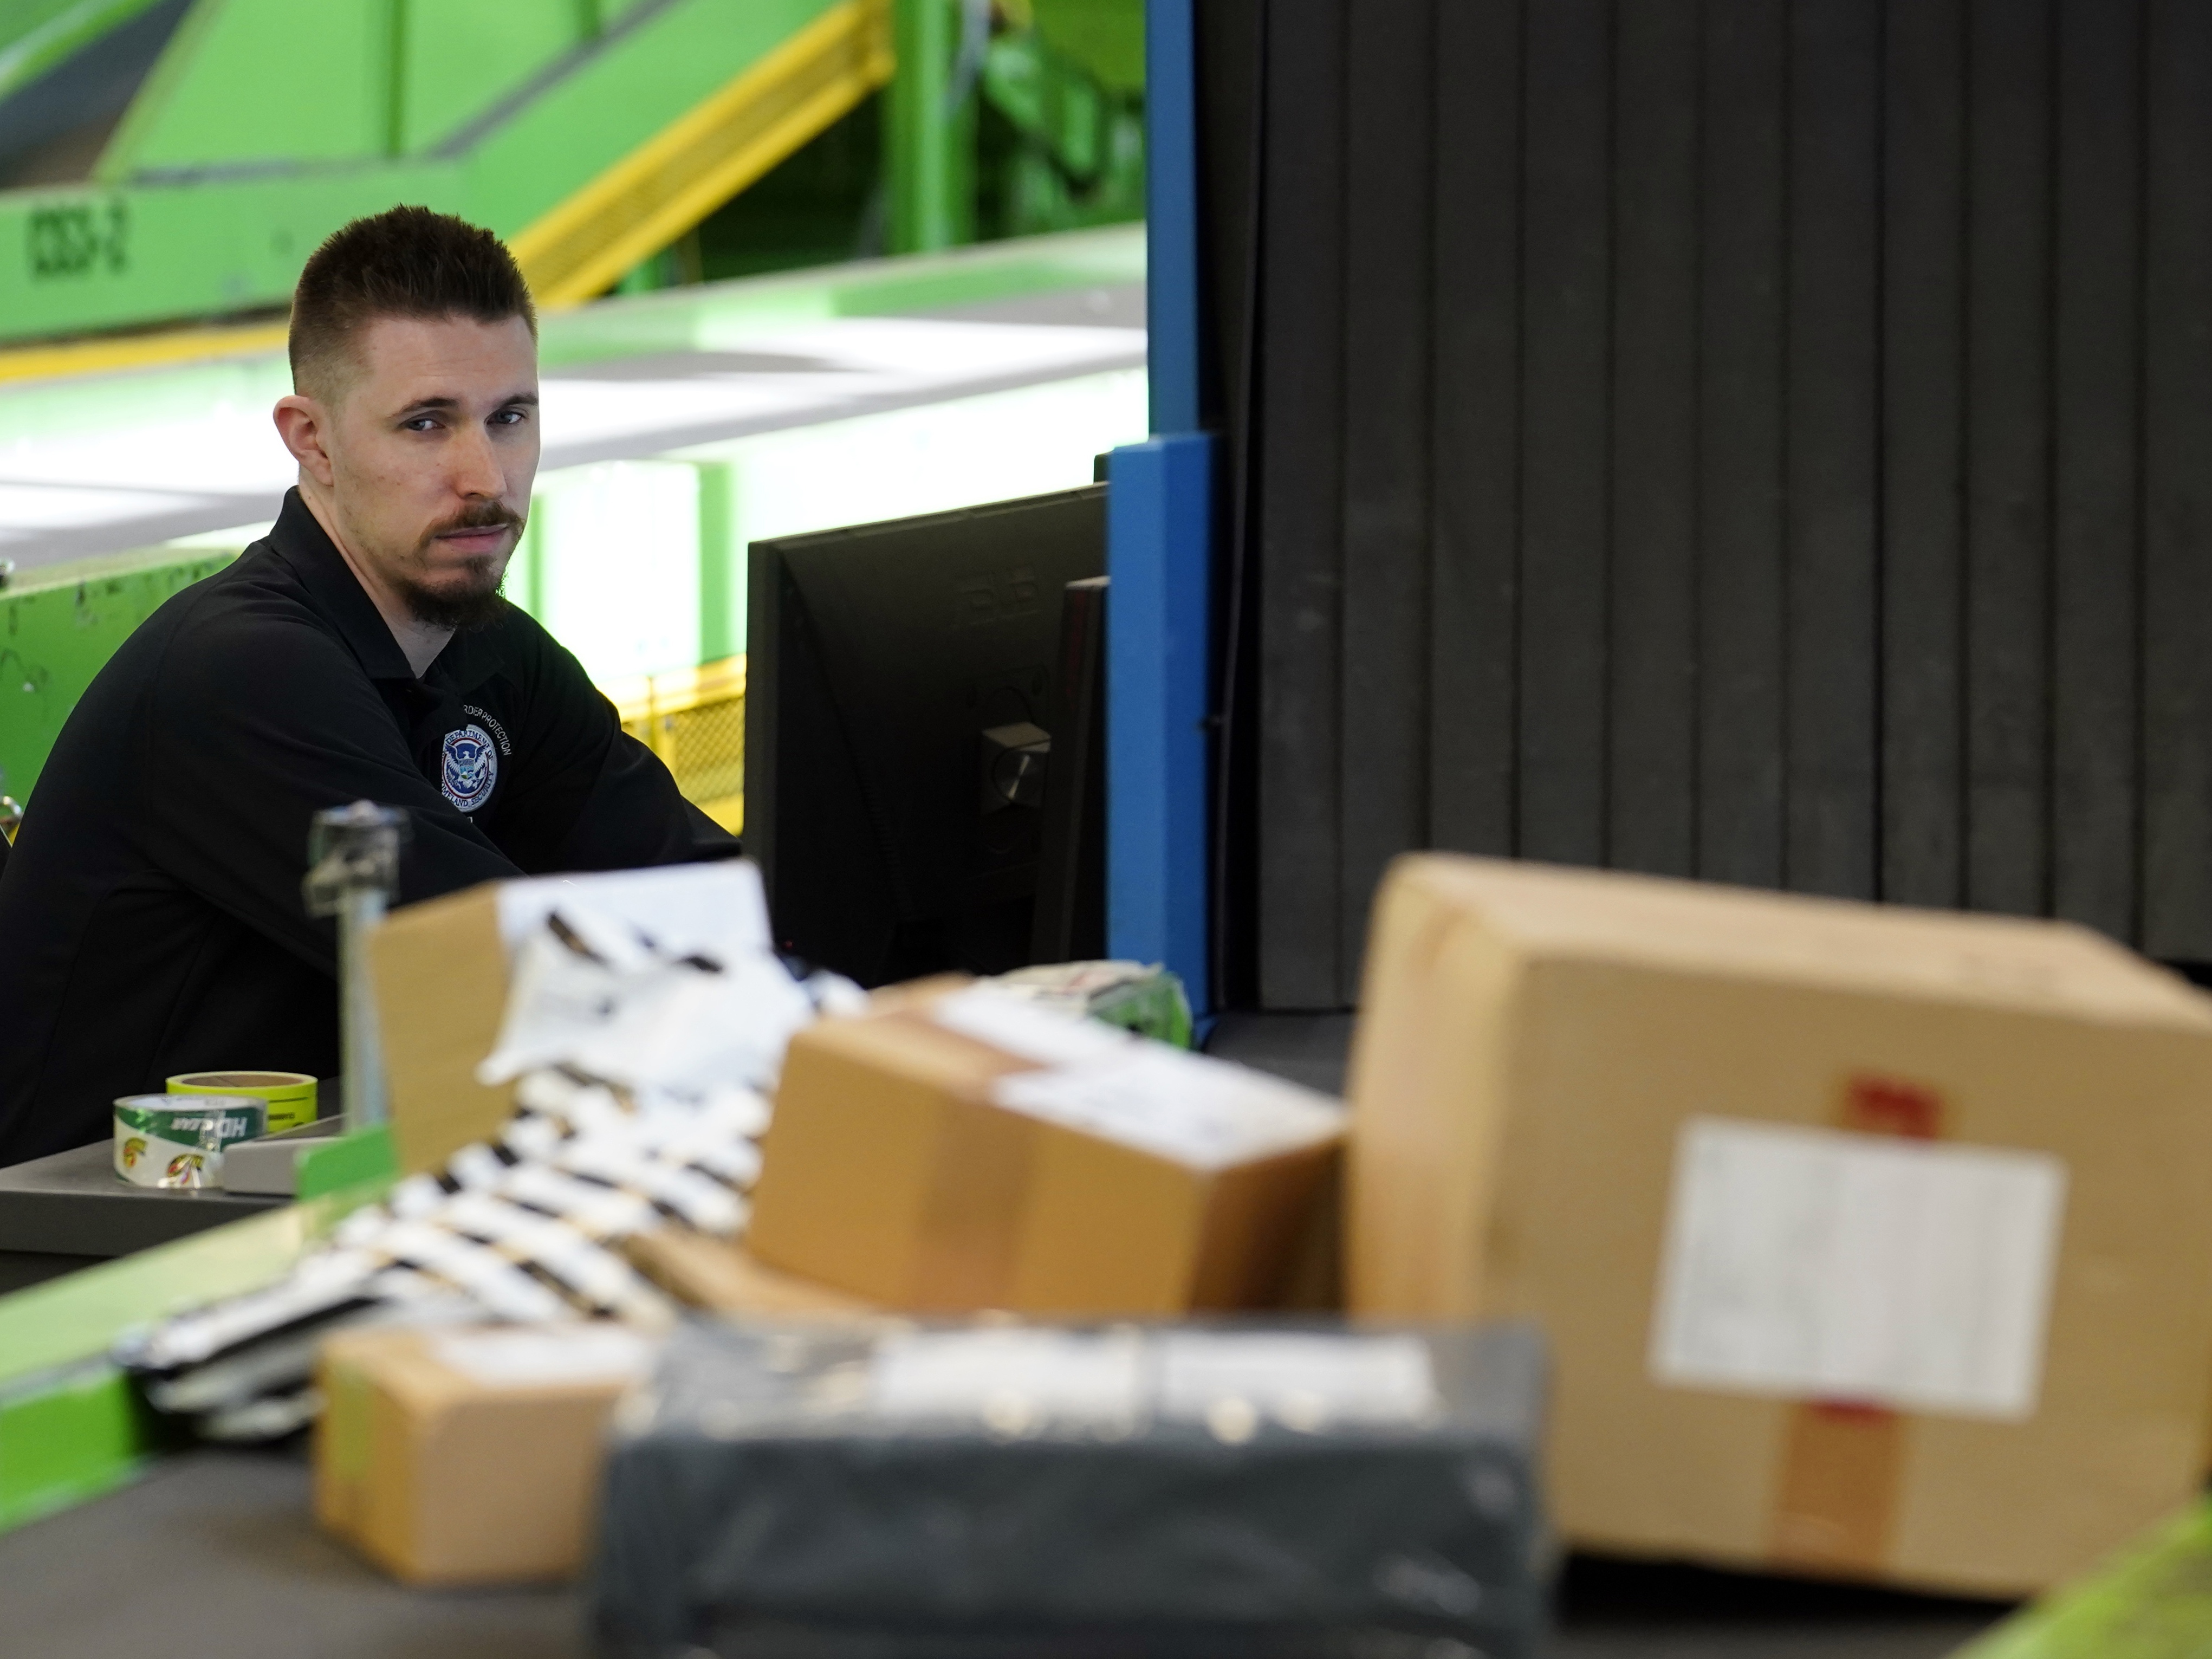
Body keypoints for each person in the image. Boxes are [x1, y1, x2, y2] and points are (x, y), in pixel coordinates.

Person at [0, 206, 735, 1163]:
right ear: (312, 440)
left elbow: (698, 888)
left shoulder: (489, 650)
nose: (485, 477)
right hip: (72, 1241)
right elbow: (510, 978)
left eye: (511, 418)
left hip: (277, 1194)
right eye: (427, 424)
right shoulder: (242, 672)